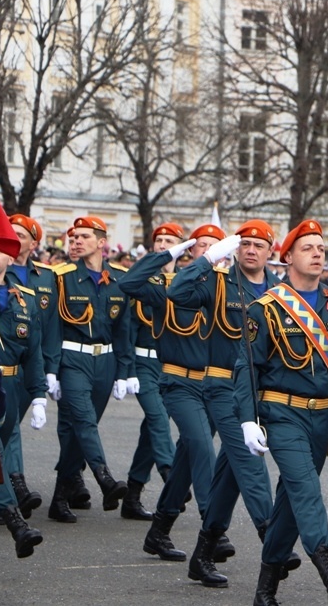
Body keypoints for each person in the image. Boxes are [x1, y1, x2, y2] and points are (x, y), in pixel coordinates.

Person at [235, 219, 328, 606]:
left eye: (321, 248)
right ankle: (327, 566)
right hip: (282, 412)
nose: (317, 254)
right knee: (306, 489)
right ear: (288, 256)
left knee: (291, 502)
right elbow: (248, 367)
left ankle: (265, 590)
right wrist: (248, 417)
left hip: (322, 417)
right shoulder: (266, 308)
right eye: (308, 247)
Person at [167, 220, 286, 583]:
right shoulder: (218, 282)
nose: (251, 250)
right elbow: (176, 293)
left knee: (228, 477)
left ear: (270, 252)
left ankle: (202, 555)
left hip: (262, 393)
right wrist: (207, 261)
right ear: (236, 249)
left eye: (258, 245)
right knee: (249, 458)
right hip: (223, 388)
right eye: (245, 244)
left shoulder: (279, 292)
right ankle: (273, 536)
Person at [43, 216, 134, 523]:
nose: (76, 242)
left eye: (83, 236)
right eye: (73, 237)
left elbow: (124, 330)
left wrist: (124, 371)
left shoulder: (120, 279)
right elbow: (53, 325)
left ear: (101, 241)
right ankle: (104, 477)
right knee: (84, 422)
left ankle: (59, 497)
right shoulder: (62, 276)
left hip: (104, 362)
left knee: (79, 430)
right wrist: (52, 369)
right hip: (73, 359)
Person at [0, 247, 46, 558]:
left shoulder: (24, 299)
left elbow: (34, 350)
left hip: (7, 385)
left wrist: (39, 392)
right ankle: (14, 519)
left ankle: (9, 516)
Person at [118, 223, 183, 522]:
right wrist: (127, 368)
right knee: (157, 417)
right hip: (143, 362)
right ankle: (172, 477)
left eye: (169, 240)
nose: (162, 245)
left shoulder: (186, 280)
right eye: (159, 240)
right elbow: (128, 325)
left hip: (171, 365)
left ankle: (132, 494)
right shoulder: (144, 280)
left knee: (151, 431)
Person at [4, 214, 58, 516]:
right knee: (7, 428)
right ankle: (15, 485)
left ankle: (5, 489)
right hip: (3, 362)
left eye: (20, 235)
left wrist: (50, 370)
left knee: (8, 427)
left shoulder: (47, 277)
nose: (13, 239)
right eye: (9, 234)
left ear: (33, 243)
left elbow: (49, 329)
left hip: (30, 365)